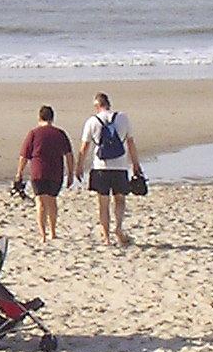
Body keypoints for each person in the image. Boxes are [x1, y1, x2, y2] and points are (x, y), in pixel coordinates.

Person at [78, 93, 140, 246]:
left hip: (101, 167)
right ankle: (118, 227)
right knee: (120, 199)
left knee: (103, 203)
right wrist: (135, 165)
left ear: (97, 106)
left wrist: (79, 166)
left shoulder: (92, 121)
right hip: (120, 166)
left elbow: (84, 147)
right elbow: (130, 143)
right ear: (108, 104)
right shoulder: (123, 118)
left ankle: (106, 237)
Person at [14, 106, 76, 240]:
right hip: (55, 173)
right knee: (52, 201)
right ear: (52, 118)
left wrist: (19, 173)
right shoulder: (60, 133)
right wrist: (71, 173)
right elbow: (69, 155)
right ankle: (53, 232)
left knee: (40, 203)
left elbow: (24, 155)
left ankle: (43, 235)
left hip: (38, 172)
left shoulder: (34, 133)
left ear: (39, 117)